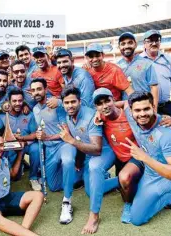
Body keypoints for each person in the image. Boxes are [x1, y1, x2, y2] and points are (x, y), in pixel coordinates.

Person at [121, 92, 171, 235]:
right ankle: (168, 197)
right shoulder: (131, 116)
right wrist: (98, 113)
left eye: (146, 109)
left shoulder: (167, 133)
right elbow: (124, 103)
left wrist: (144, 157)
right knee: (136, 219)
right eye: (137, 110)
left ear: (153, 107)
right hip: (152, 176)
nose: (142, 114)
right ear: (131, 111)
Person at [60, 86, 118, 234]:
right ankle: (120, 180)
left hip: (104, 152)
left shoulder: (92, 117)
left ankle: (94, 217)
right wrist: (79, 159)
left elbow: (97, 148)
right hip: (88, 153)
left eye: (73, 102)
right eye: (66, 103)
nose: (70, 105)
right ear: (63, 104)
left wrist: (71, 141)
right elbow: (81, 139)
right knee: (89, 191)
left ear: (80, 101)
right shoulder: (68, 115)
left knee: (93, 167)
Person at [92, 88, 144, 223]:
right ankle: (135, 184)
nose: (105, 106)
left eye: (107, 101)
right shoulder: (100, 117)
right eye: (100, 104)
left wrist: (166, 119)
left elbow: (129, 103)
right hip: (120, 160)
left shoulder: (128, 112)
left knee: (125, 177)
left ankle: (128, 206)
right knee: (124, 186)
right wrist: (98, 112)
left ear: (113, 99)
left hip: (136, 156)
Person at [30, 78, 77, 224]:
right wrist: (40, 135)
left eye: (39, 89)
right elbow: (41, 129)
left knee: (68, 161)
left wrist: (48, 137)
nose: (36, 92)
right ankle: (81, 174)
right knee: (55, 186)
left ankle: (67, 202)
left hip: (64, 144)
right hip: (49, 149)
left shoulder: (56, 104)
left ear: (45, 89)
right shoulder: (35, 109)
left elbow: (66, 131)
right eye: (33, 90)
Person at [0, 89, 41, 191]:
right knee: (15, 177)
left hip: (27, 144)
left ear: (23, 101)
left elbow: (34, 134)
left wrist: (24, 141)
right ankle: (17, 166)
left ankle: (33, 178)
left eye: (20, 101)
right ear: (9, 102)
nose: (17, 103)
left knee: (36, 148)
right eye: (14, 101)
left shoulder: (29, 115)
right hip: (12, 147)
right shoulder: (3, 116)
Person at [140, 30, 171, 118]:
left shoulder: (167, 59)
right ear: (144, 43)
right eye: (150, 41)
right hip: (146, 108)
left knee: (170, 131)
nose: (154, 43)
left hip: (166, 107)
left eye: (157, 40)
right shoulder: (138, 61)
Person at [117, 32, 159, 111]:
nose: (126, 46)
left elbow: (154, 87)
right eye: (123, 44)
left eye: (130, 43)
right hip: (127, 109)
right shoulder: (117, 67)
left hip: (145, 108)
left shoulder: (146, 63)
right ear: (119, 47)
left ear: (135, 44)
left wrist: (154, 109)